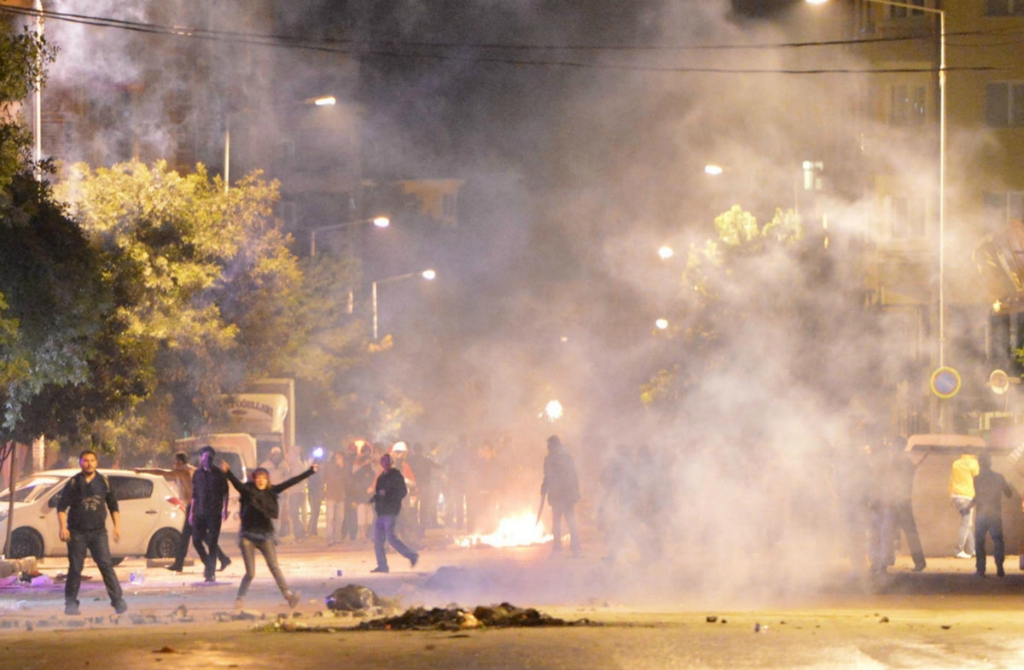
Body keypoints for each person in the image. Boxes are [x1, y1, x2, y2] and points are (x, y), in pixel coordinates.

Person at [221, 459, 317, 608]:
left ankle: (289, 596)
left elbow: (292, 481)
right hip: (248, 535)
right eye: (258, 478)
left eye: (264, 478)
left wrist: (310, 471)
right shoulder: (248, 491)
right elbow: (236, 484)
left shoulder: (272, 492)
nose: (261, 480)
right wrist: (228, 472)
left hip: (266, 535)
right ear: (255, 479)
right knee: (251, 573)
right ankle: (240, 598)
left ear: (267, 480)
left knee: (274, 567)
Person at [57, 450, 128, 616]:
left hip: (98, 532)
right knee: (75, 568)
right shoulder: (74, 482)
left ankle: (118, 601)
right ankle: (71, 604)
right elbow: (61, 507)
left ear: (96, 462)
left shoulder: (103, 481)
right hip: (77, 533)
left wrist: (117, 527)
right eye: (86, 461)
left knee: (106, 565)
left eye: (92, 460)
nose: (89, 463)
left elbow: (113, 506)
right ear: (80, 463)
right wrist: (63, 527)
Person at [135, 452, 230, 573]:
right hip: (200, 506)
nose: (173, 464)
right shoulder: (194, 470)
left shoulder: (182, 471)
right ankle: (221, 559)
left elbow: (162, 472)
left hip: (194, 507)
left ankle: (189, 563)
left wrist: (141, 470)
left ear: (180, 462)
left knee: (190, 536)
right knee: (199, 536)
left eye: (175, 461)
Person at [370, 452, 419, 573]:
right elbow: (378, 492)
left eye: (387, 462)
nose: (385, 464)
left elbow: (402, 492)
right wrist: (376, 499)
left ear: (390, 463)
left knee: (391, 538)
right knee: (378, 540)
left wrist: (389, 496)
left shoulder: (396, 476)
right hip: (381, 512)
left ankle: (411, 555)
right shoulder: (381, 477)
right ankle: (382, 565)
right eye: (384, 462)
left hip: (391, 511)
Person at [885, 436, 927, 572]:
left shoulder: (898, 461)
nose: (891, 448)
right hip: (900, 501)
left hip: (899, 501)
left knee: (900, 532)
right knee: (901, 532)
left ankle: (889, 560)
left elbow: (893, 482)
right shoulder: (905, 462)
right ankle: (918, 561)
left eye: (893, 445)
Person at [971, 451, 1014, 577]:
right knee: (998, 541)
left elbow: (977, 498)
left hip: (981, 514)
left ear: (980, 463)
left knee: (979, 542)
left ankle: (980, 570)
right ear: (990, 463)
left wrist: (967, 507)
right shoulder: (999, 477)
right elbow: (1009, 494)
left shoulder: (977, 479)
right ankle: (1000, 568)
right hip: (995, 514)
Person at [191, 445, 230, 582]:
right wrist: (191, 513)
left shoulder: (219, 474)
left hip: (214, 512)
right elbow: (194, 494)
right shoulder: (197, 474)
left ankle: (210, 572)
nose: (207, 459)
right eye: (205, 456)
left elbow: (225, 493)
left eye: (209, 457)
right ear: (201, 458)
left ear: (213, 458)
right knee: (196, 540)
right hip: (200, 513)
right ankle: (208, 563)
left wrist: (225, 510)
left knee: (212, 542)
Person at [540, 435, 581, 556]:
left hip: (566, 494)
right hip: (557, 495)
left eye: (550, 445)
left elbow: (573, 476)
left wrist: (575, 492)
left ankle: (575, 548)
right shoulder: (548, 459)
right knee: (557, 523)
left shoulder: (566, 458)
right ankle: (558, 548)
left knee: (570, 522)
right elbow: (547, 476)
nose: (549, 447)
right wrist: (544, 488)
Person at [949, 451, 979, 558]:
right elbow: (977, 480)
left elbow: (951, 480)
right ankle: (958, 550)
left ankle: (972, 549)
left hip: (956, 495)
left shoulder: (956, 463)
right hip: (967, 496)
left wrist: (951, 495)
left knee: (967, 523)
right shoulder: (974, 463)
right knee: (966, 524)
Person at [347, 442, 376, 541]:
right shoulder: (357, 474)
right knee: (361, 520)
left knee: (369, 520)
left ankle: (365, 534)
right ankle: (363, 536)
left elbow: (376, 485)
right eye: (366, 461)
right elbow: (353, 487)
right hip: (360, 499)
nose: (367, 463)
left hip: (370, 500)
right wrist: (354, 499)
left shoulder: (372, 473)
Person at [323, 448, 347, 545]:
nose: (339, 458)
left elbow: (346, 480)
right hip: (331, 494)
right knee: (330, 517)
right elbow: (327, 478)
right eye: (338, 456)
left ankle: (337, 537)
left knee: (340, 517)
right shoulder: (329, 466)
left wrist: (342, 468)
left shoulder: (344, 467)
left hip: (340, 495)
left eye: (341, 457)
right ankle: (330, 537)